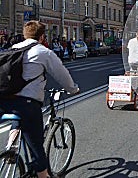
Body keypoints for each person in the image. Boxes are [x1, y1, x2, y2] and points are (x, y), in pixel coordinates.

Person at [0, 21, 79, 178]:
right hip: (27, 104)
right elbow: (62, 75)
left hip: (4, 101)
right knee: (37, 148)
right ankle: (41, 173)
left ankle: (11, 149)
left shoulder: (13, 49)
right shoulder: (43, 52)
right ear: (42, 36)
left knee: (18, 118)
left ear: (25, 35)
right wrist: (73, 89)